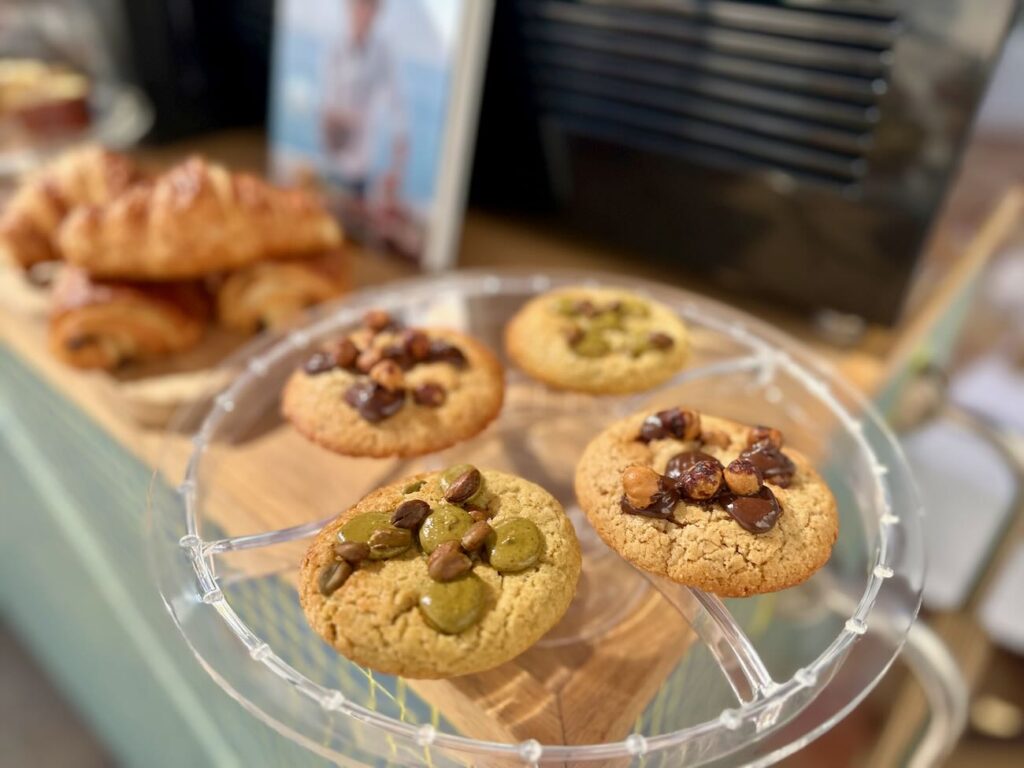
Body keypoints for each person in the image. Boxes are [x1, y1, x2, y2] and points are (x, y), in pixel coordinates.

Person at [321, 0, 408, 203]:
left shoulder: (383, 52)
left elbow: (398, 106)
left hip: (362, 162)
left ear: (377, 12)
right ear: (350, 7)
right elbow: (329, 106)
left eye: (370, 7)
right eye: (360, 6)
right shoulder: (334, 47)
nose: (364, 13)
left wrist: (397, 164)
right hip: (333, 155)